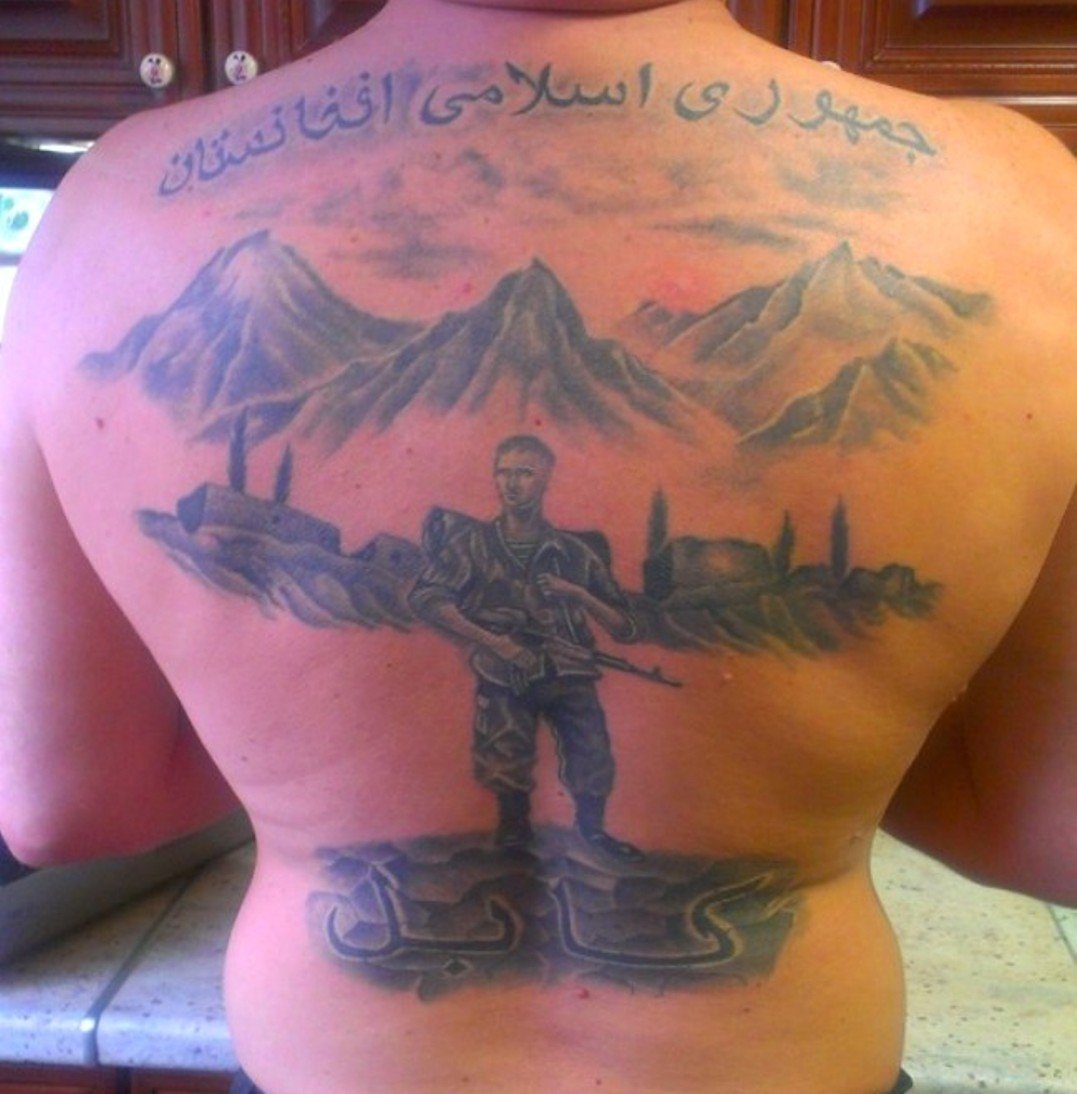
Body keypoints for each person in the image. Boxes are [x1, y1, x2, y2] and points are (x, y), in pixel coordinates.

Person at [0, 0, 1074, 1090]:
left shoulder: (115, 209)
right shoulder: (1023, 204)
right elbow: (1055, 829)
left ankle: (587, 839)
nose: (517, 483)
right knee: (505, 760)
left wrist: (295, 754)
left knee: (585, 758)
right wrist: (836, 743)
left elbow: (74, 805)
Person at [409, 433, 643, 858]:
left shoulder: (574, 552)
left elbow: (626, 627)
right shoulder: (473, 545)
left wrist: (578, 593)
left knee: (590, 749)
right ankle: (513, 832)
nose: (512, 484)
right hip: (504, 671)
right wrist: (496, 644)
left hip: (569, 670)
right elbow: (429, 599)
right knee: (503, 751)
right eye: (504, 473)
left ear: (546, 478)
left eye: (525, 473)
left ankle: (593, 832)